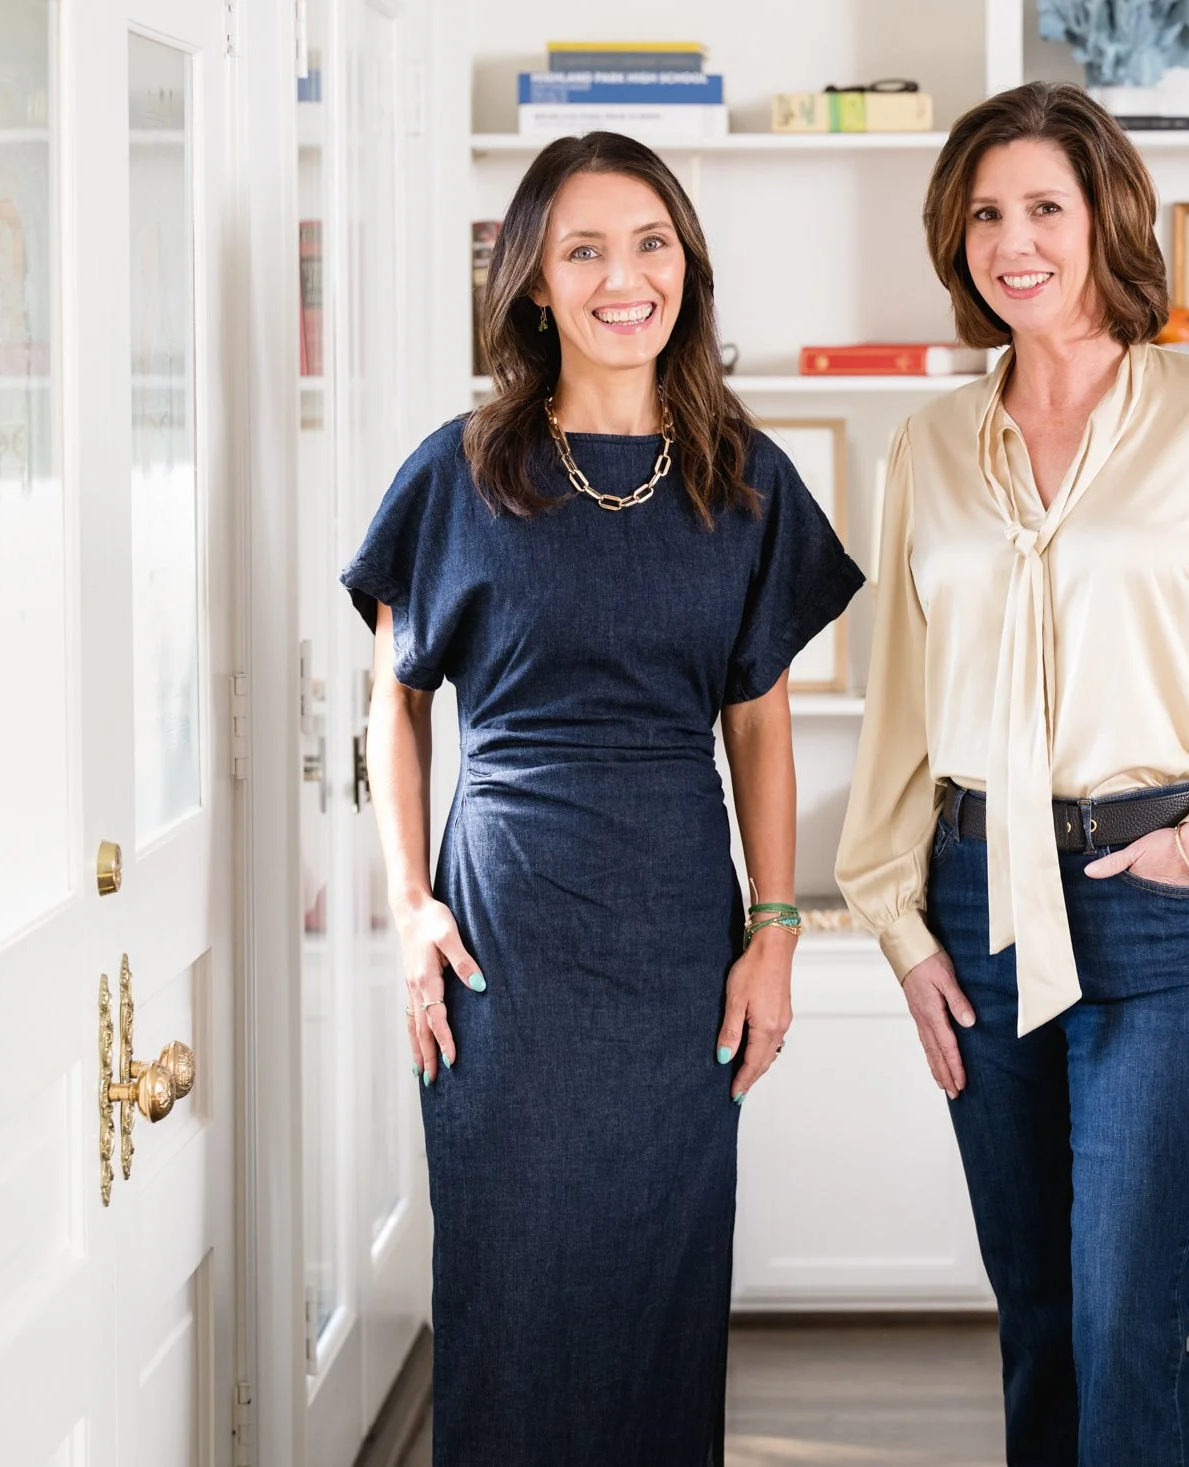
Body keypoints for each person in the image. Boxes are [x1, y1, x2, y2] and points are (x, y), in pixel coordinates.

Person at [836, 82, 1189, 1466]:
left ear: (1104, 217)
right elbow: (898, 707)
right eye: (986, 213)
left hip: (1161, 901)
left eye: (1044, 208)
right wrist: (898, 926)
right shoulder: (930, 445)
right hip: (976, 896)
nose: (1015, 241)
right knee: (1043, 1320)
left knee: (1126, 1319)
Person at [344, 131, 864, 1467]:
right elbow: (392, 701)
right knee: (512, 1284)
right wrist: (406, 907)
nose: (623, 276)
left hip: (677, 936)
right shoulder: (456, 471)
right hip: (502, 936)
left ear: (686, 263)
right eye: (583, 249)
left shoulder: (747, 482)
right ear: (532, 284)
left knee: (660, 1283)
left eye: (650, 243)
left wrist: (777, 928)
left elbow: (758, 725)